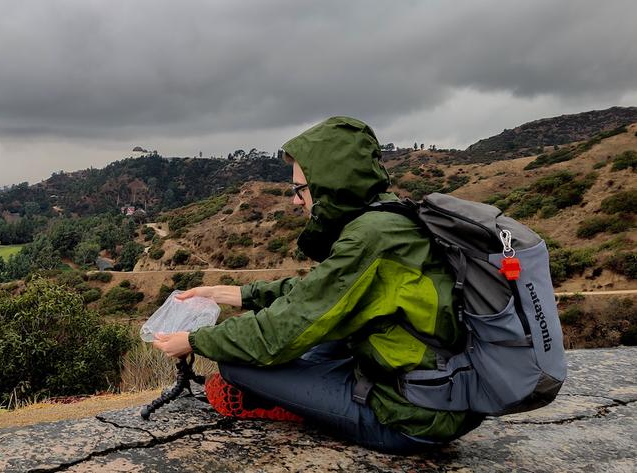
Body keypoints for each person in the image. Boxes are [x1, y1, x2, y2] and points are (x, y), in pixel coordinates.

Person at [152, 116, 483, 454]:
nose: (296, 200)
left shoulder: (369, 239)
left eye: (301, 189)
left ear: (330, 184)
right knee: (308, 343)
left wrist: (193, 340)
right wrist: (228, 294)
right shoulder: (388, 218)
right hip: (435, 389)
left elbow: (278, 334)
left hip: (410, 419)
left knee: (236, 363)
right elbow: (317, 293)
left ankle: (295, 409)